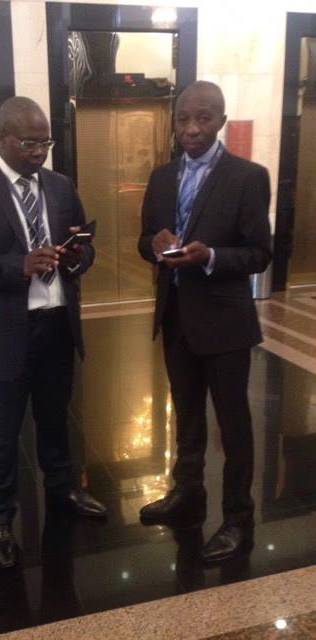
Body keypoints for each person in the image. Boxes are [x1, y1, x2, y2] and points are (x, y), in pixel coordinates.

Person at [0, 96, 107, 569]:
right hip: (4, 333)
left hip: (56, 326)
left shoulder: (60, 186)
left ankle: (63, 490)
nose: (39, 152)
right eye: (29, 144)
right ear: (3, 138)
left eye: (45, 143)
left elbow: (85, 247)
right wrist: (19, 265)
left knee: (56, 419)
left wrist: (78, 257)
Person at [138, 81, 272, 562]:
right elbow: (143, 239)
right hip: (176, 316)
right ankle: (188, 492)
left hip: (226, 324)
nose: (192, 129)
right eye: (183, 119)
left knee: (233, 424)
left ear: (220, 121)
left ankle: (238, 517)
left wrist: (211, 256)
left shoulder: (248, 177)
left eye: (203, 118)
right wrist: (154, 244)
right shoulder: (161, 177)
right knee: (187, 413)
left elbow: (259, 253)